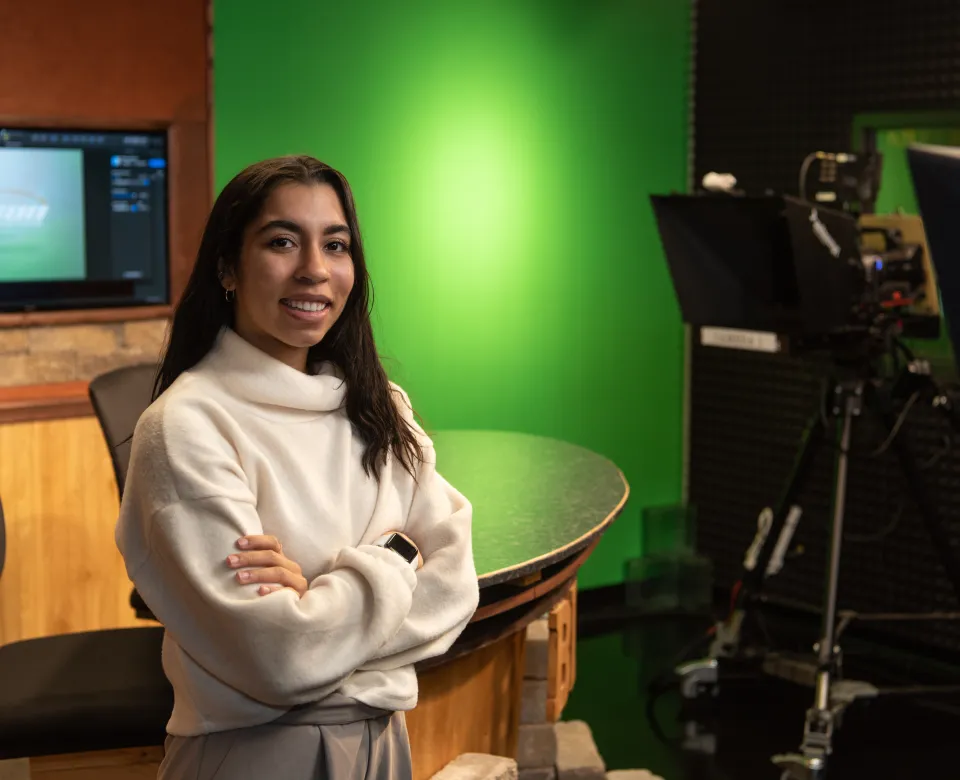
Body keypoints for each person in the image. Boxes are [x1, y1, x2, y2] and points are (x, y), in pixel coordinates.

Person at [115, 155, 480, 779]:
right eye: (282, 241)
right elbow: (278, 657)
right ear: (227, 267)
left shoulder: (378, 404)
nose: (314, 269)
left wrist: (315, 595)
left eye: (335, 245)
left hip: (385, 744)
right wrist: (396, 559)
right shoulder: (186, 427)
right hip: (256, 753)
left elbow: (456, 586)